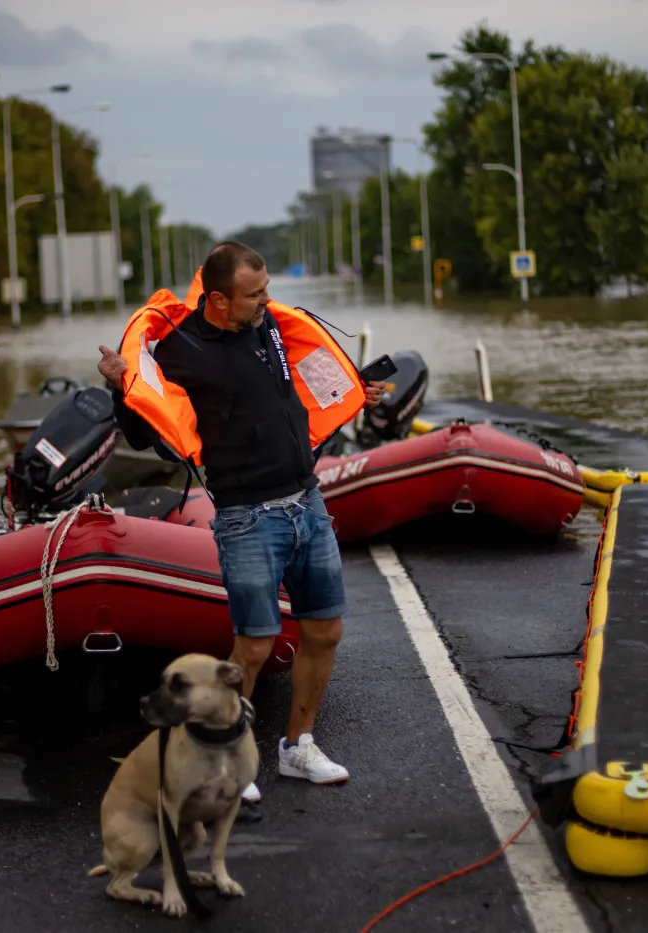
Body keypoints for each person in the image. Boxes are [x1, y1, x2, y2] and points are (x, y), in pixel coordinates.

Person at [97, 241, 383, 820]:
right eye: (254, 294)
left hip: (307, 502)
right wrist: (118, 386)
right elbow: (145, 433)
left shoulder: (267, 327)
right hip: (246, 515)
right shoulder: (180, 350)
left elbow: (290, 394)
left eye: (266, 289)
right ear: (219, 299)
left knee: (324, 631)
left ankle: (298, 746)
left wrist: (352, 389)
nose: (267, 301)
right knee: (252, 647)